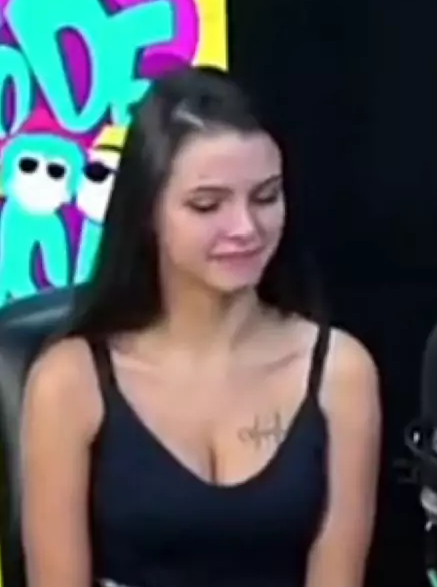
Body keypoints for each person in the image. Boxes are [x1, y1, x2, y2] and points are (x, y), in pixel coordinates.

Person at [20, 65, 381, 587]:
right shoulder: (69, 382)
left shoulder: (341, 372)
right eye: (207, 205)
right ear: (147, 214)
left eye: (266, 197)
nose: (246, 228)